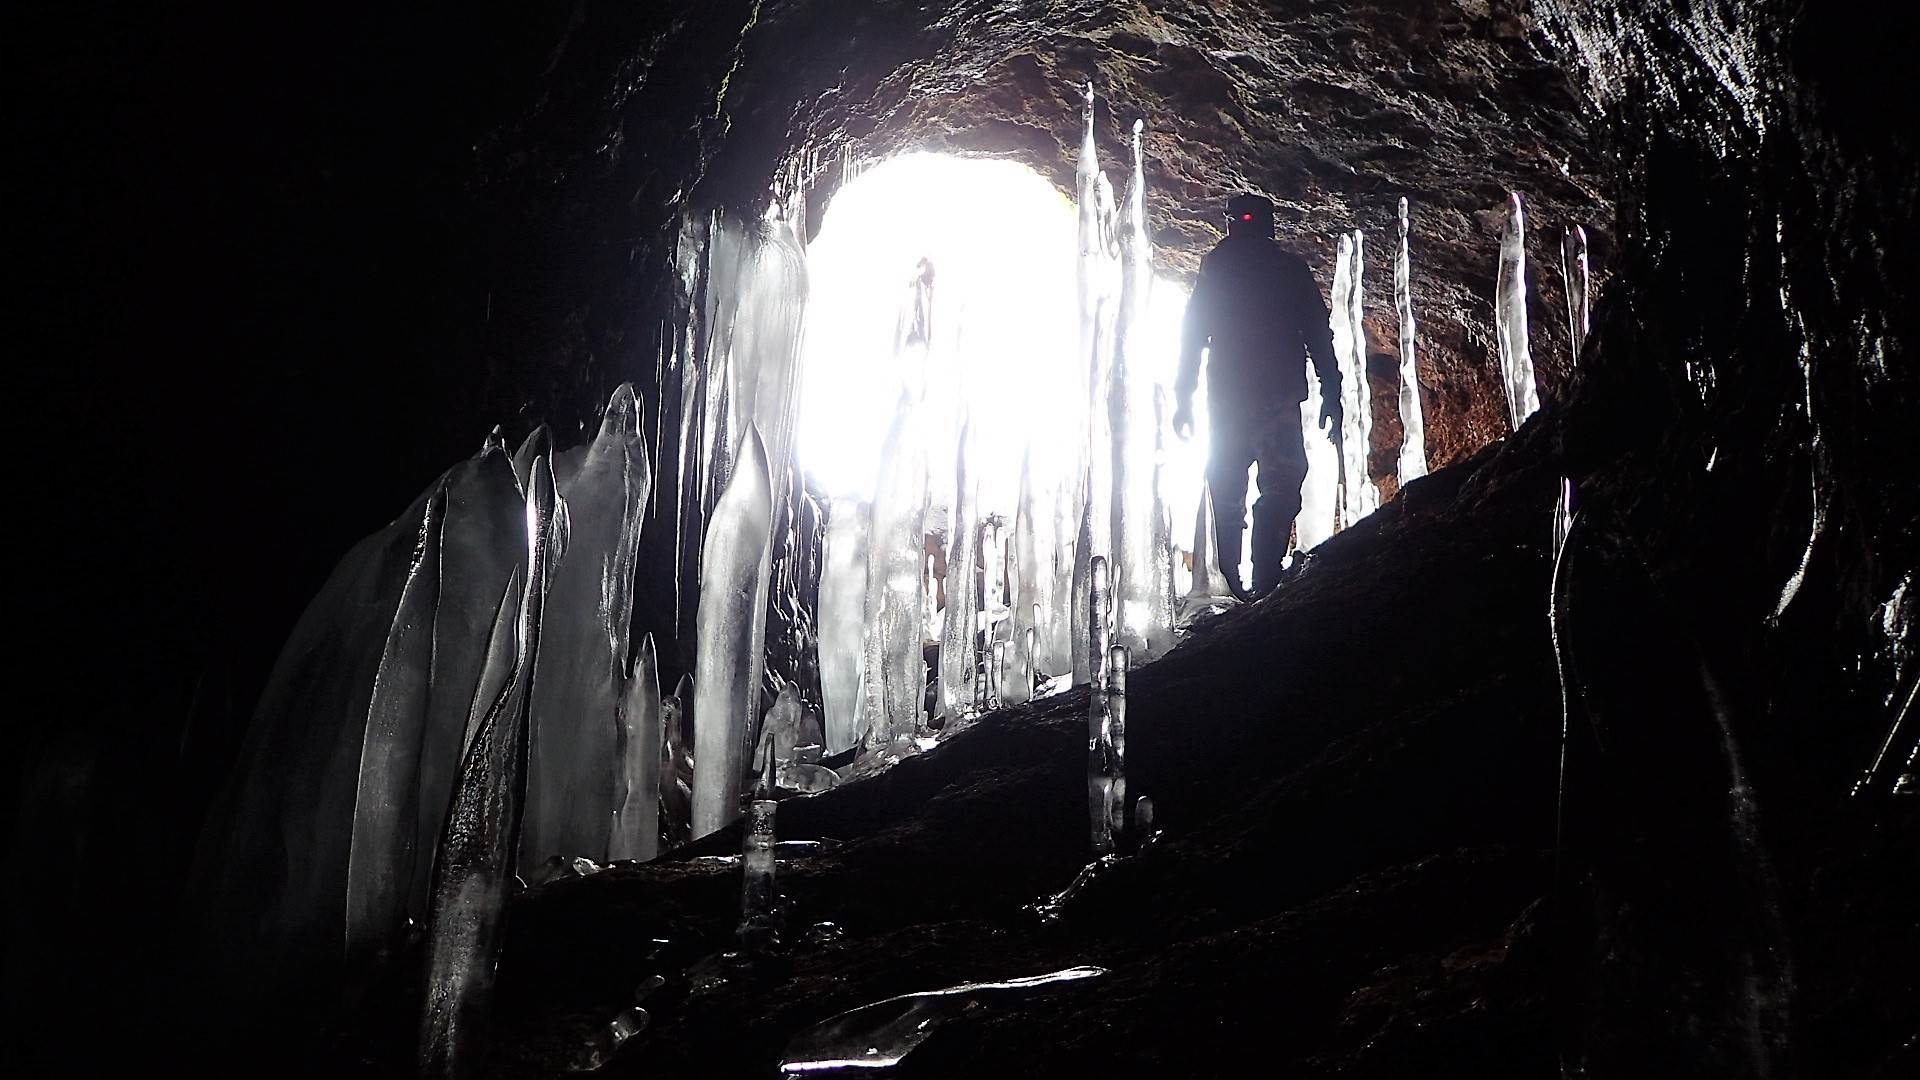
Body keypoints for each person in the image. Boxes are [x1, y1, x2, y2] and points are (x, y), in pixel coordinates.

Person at [1173, 193, 1342, 598]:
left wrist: (1184, 396)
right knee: (1258, 486)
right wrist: (1330, 392)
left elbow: (1193, 335)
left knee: (1246, 487)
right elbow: (1317, 334)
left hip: (1249, 400)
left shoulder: (1224, 270)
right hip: (1262, 399)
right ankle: (1247, 581)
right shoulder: (1275, 270)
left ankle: (1249, 581)